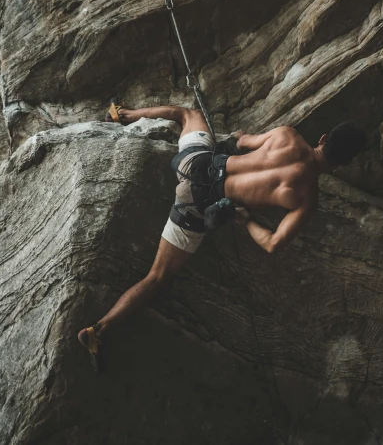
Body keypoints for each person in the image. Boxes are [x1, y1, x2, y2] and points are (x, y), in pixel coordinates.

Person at [77, 102, 366, 371]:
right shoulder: (306, 199)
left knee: (187, 114)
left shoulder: (287, 135)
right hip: (197, 206)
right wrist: (245, 220)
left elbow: (241, 141)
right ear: (344, 164)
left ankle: (121, 115)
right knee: (156, 277)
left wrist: (241, 139)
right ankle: (97, 332)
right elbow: (272, 244)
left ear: (324, 138)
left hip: (194, 163)